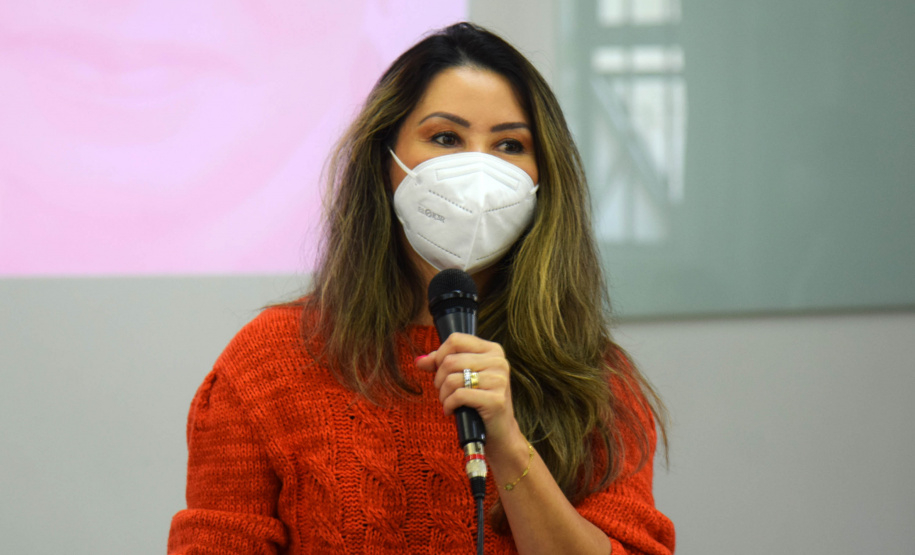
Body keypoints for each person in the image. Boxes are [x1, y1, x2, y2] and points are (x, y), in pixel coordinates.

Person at [167, 22, 675, 555]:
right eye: (446, 138)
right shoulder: (271, 362)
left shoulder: (591, 377)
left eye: (509, 144)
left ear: (543, 177)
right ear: (386, 158)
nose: (478, 169)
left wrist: (507, 444)